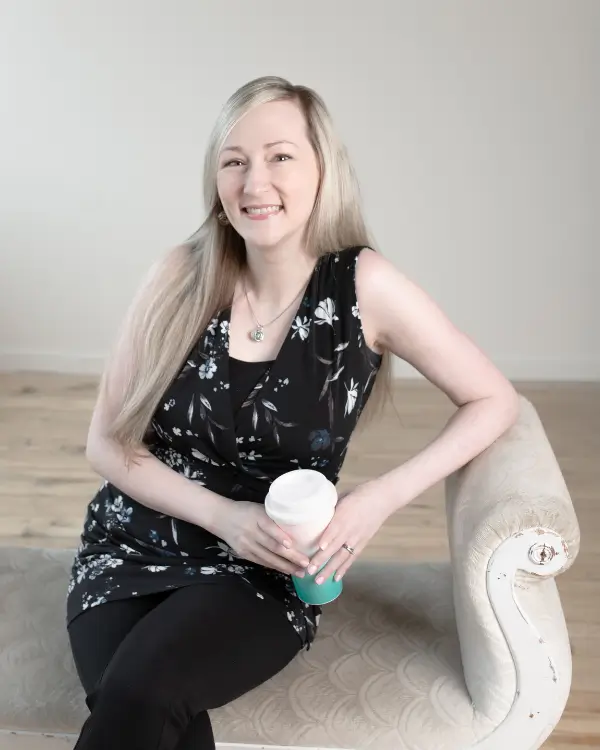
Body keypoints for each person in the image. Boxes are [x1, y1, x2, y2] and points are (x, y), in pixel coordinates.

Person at [66, 75, 519, 750]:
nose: (255, 182)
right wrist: (223, 515)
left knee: (140, 693)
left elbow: (494, 399)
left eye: (280, 156)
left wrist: (376, 499)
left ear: (321, 169)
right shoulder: (177, 275)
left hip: (271, 566)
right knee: (149, 712)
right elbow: (107, 445)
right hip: (130, 547)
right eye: (234, 160)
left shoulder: (365, 286)